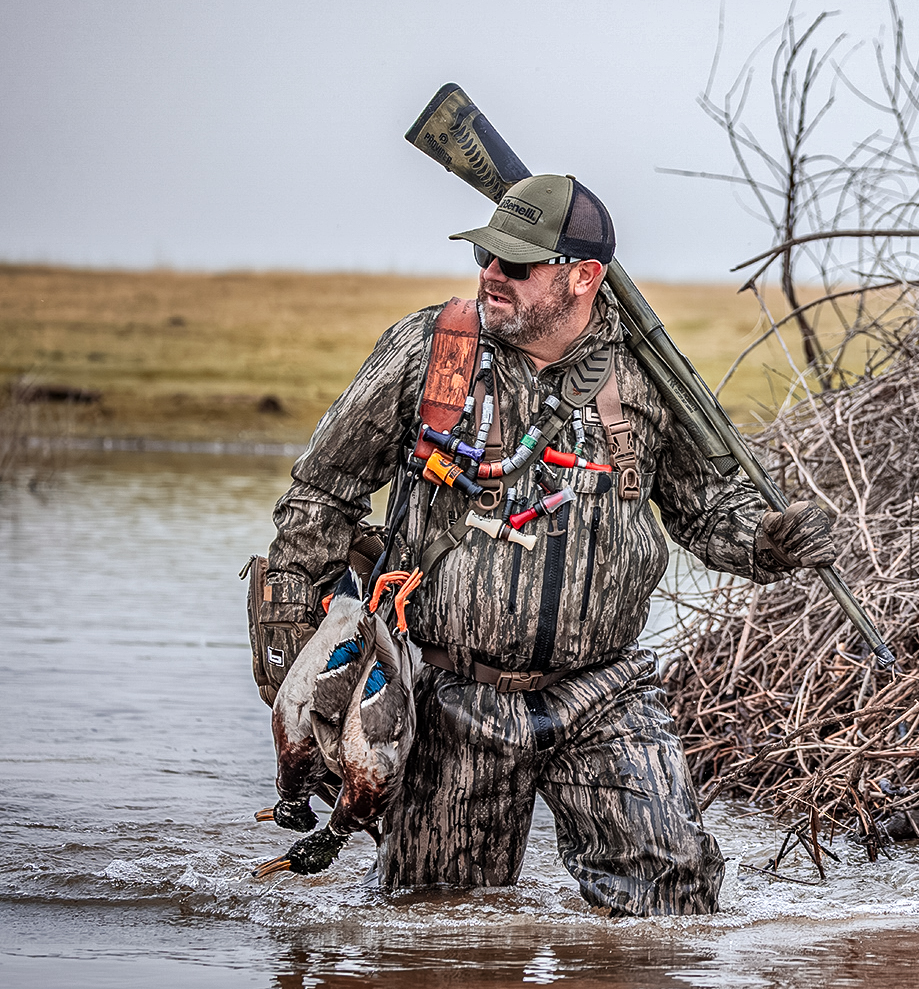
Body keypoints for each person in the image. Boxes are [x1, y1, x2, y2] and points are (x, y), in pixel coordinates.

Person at [258, 173, 837, 915]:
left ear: (584, 277)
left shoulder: (646, 377)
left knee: (674, 908)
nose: (491, 274)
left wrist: (767, 542)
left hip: (605, 690)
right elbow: (321, 493)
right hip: (451, 695)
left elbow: (705, 510)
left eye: (517, 264)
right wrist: (289, 657)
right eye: (487, 256)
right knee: (438, 929)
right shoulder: (431, 352)